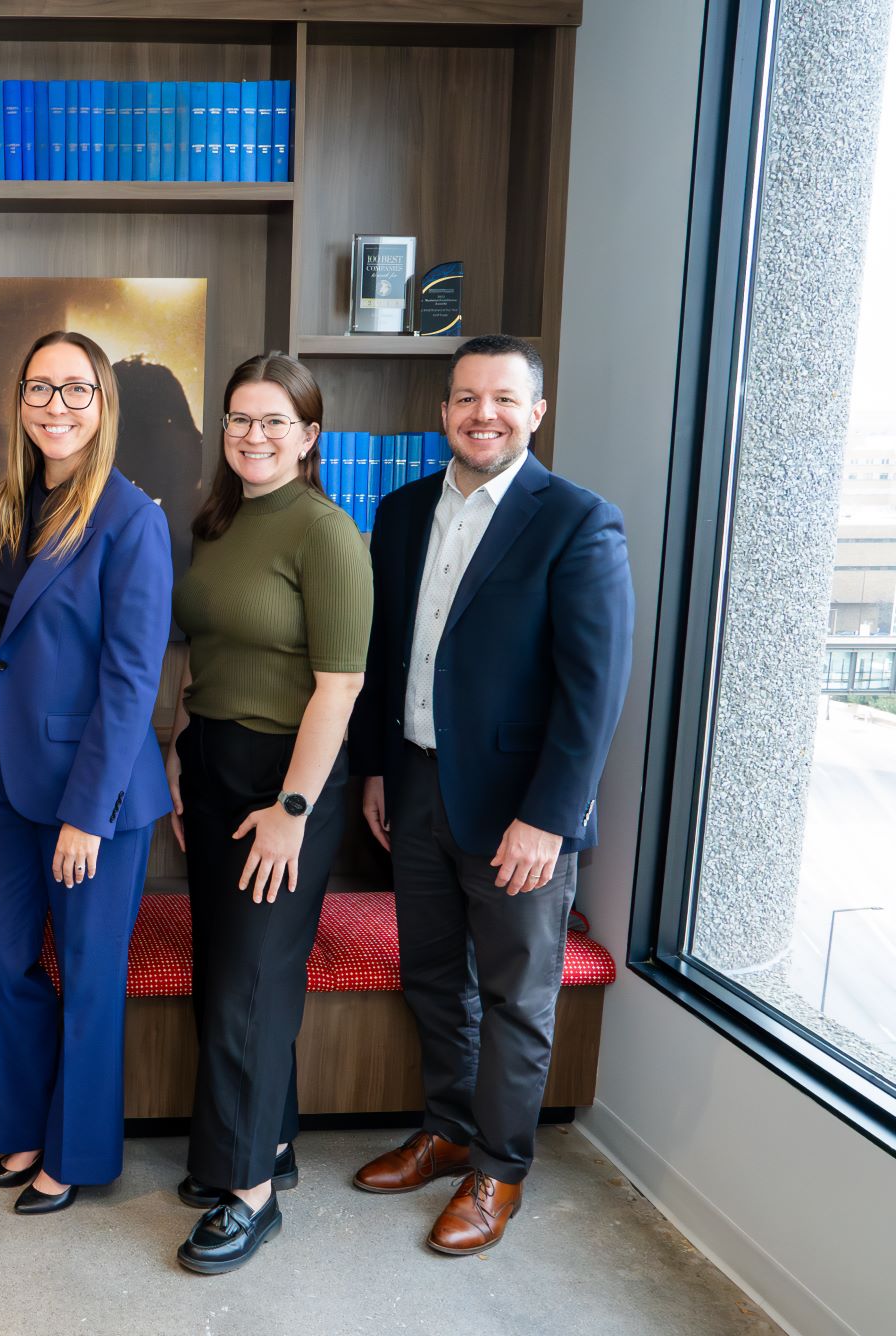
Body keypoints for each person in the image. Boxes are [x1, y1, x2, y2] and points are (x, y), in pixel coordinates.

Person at [348, 334, 632, 1255]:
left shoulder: (577, 522)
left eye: (504, 399)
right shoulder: (397, 514)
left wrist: (550, 818)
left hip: (520, 812)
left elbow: (594, 692)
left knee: (515, 996)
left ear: (536, 413)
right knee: (433, 974)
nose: (484, 414)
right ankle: (447, 1128)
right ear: (443, 411)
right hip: (419, 786)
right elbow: (387, 654)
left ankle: (499, 1172)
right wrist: (378, 770)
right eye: (467, 397)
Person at [0, 330, 173, 1216]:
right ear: (21, 402)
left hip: (95, 790)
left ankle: (73, 1156)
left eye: (77, 390)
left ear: (103, 405)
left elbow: (130, 679)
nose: (56, 406)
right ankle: (23, 1130)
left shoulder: (130, 518)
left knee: (88, 970)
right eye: (40, 388)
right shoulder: (4, 507)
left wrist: (90, 812)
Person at [164, 353, 370, 1273]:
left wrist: (291, 807)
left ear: (309, 437)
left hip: (287, 776)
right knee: (227, 970)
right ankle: (268, 1144)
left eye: (275, 421)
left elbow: (340, 688)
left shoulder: (326, 533)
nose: (254, 435)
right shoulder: (217, 521)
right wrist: (178, 742)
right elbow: (201, 649)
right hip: (210, 765)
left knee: (252, 979)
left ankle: (246, 1193)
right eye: (241, 419)